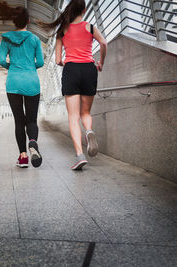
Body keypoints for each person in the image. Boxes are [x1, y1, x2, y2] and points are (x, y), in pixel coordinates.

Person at [41, 0, 107, 170]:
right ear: (84, 10)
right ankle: (89, 131)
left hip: (71, 70)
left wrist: (64, 62)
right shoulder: (90, 27)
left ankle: (79, 154)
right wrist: (100, 62)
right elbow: (104, 43)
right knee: (86, 112)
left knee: (73, 116)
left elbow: (57, 60)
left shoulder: (62, 30)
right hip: (89, 69)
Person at [0, 1, 44, 168]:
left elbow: (1, 60)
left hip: (13, 82)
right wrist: (29, 67)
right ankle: (33, 143)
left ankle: (22, 157)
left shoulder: (6, 39)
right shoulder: (34, 39)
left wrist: (13, 67)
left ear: (14, 21)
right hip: (31, 82)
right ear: (28, 21)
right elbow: (41, 62)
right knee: (32, 120)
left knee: (19, 121)